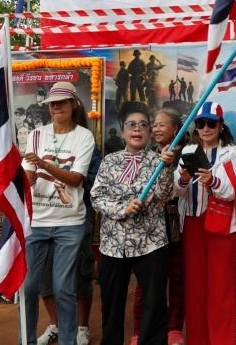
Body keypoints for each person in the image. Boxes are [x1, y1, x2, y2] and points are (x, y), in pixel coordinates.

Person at [90, 106, 175, 345]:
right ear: (123, 130)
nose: (137, 129)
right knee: (112, 304)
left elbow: (165, 194)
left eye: (143, 125)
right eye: (131, 125)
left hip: (152, 244)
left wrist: (167, 168)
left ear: (149, 132)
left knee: (154, 303)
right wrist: (122, 209)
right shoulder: (109, 161)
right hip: (113, 246)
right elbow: (96, 197)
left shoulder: (158, 160)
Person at [22, 82, 95, 345]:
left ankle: (68, 340)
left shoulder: (84, 136)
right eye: (52, 102)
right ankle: (27, 339)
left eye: (61, 102)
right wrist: (25, 178)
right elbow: (28, 176)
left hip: (70, 222)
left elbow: (76, 179)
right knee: (30, 286)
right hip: (37, 221)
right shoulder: (36, 135)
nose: (55, 106)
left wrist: (44, 164)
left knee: (64, 288)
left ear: (74, 104)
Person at [173, 102, 236, 344]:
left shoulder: (233, 152)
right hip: (192, 223)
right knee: (196, 285)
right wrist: (182, 179)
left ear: (221, 126)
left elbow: (234, 191)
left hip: (222, 223)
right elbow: (175, 192)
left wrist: (212, 182)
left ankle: (222, 340)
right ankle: (198, 340)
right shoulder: (187, 151)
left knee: (221, 287)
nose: (206, 128)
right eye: (201, 123)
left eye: (212, 123)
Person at [130, 107, 188, 345]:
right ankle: (139, 330)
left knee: (176, 275)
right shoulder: (144, 154)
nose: (155, 128)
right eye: (154, 124)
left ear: (176, 128)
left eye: (162, 124)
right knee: (146, 279)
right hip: (148, 225)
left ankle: (174, 328)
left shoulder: (187, 154)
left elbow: (179, 190)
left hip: (174, 221)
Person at [35, 145, 102, 345]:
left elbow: (92, 181)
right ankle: (55, 324)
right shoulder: (39, 144)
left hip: (75, 219)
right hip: (43, 219)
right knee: (45, 275)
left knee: (80, 273)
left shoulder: (85, 144)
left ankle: (82, 326)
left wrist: (62, 174)